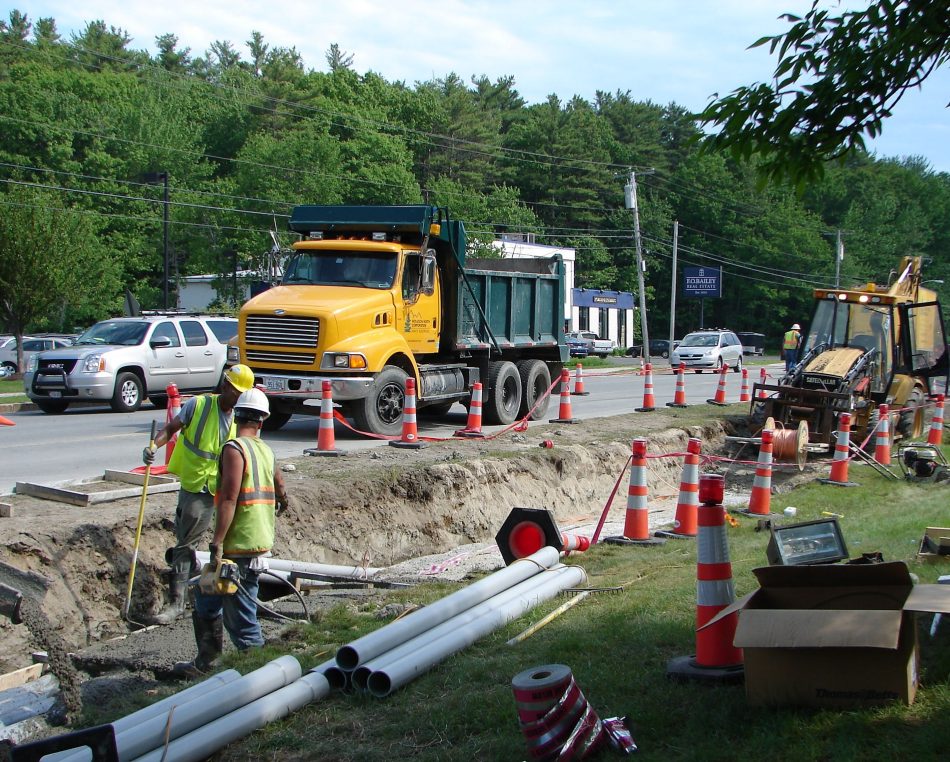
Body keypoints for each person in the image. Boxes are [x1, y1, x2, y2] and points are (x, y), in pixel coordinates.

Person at [181, 387, 291, 675]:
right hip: (255, 539)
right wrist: (282, 500)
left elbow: (229, 497)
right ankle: (207, 662)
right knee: (206, 598)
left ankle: (260, 675)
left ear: (237, 416)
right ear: (262, 420)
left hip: (239, 544)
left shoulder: (234, 449)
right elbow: (280, 486)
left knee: (241, 619)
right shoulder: (265, 450)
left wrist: (216, 543)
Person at [142, 363, 255, 624]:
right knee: (185, 544)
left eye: (242, 394)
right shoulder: (200, 405)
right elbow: (170, 429)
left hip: (227, 489)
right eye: (236, 392)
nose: (238, 398)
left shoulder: (242, 417)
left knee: (229, 546)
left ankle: (220, 597)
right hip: (198, 486)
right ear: (226, 385)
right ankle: (178, 602)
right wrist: (153, 447)